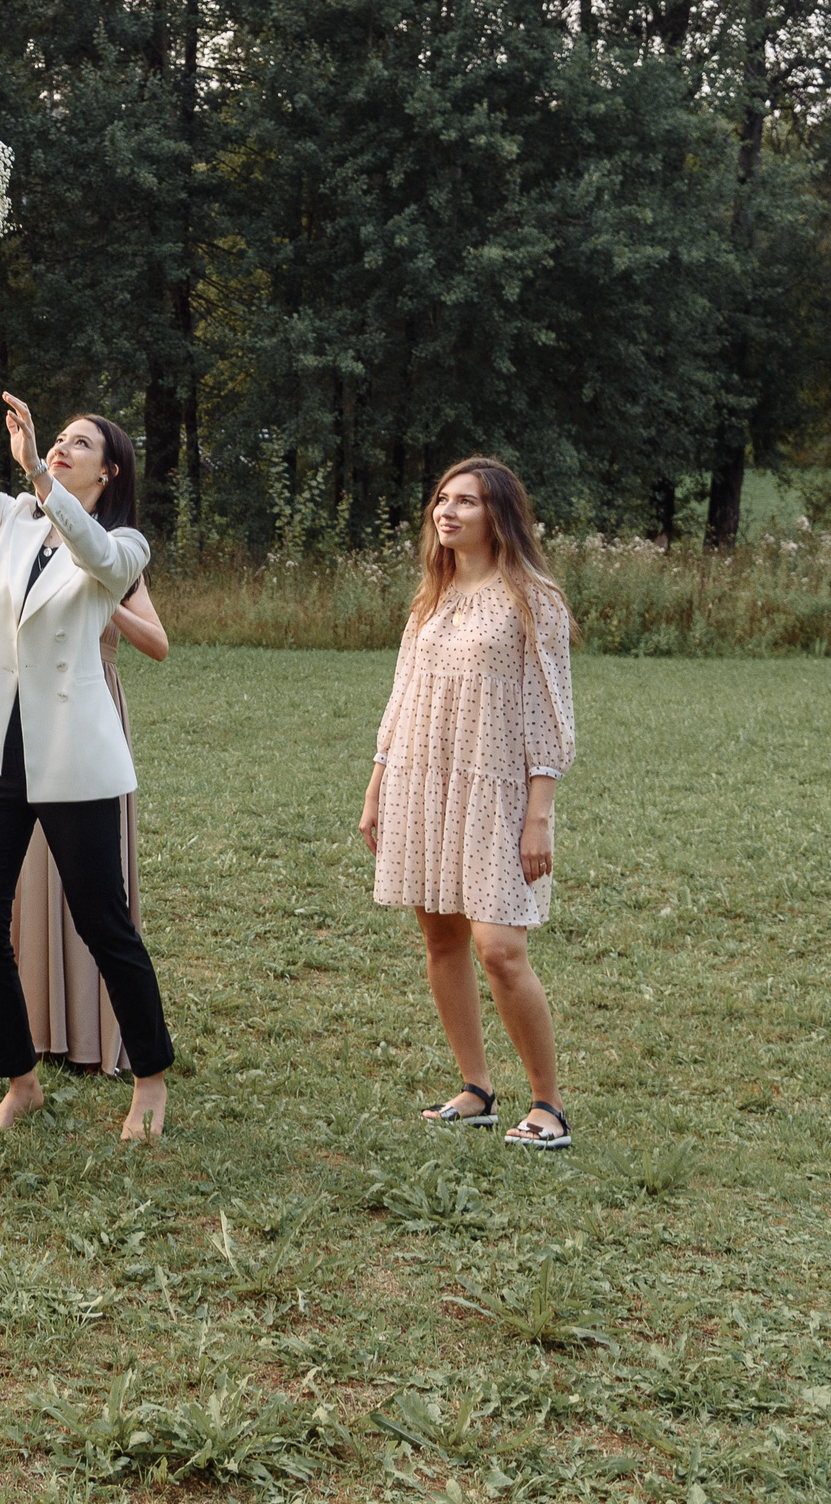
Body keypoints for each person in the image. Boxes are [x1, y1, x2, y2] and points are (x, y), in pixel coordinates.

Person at [0, 280, 177, 1142]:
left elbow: (98, 553)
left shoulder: (122, 545)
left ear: (109, 471)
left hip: (75, 760)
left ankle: (151, 1080)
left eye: (78, 445)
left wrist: (36, 471)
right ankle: (19, 1079)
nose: (61, 449)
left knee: (105, 923)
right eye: (57, 438)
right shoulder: (17, 521)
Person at [359, 456, 579, 1150]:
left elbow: (551, 714)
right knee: (440, 935)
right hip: (422, 781)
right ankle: (477, 1088)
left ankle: (548, 1105)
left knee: (501, 948)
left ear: (499, 515)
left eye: (466, 502)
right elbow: (401, 697)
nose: (445, 512)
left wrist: (537, 815)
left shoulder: (531, 596)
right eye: (441, 500)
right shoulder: (434, 592)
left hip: (496, 790)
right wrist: (376, 787)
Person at [10, 581, 168, 1074]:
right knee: (35, 861)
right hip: (35, 707)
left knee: (95, 888)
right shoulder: (29, 550)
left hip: (92, 706)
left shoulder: (117, 559)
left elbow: (157, 644)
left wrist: (110, 605)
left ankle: (95, 1031)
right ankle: (35, 1026)